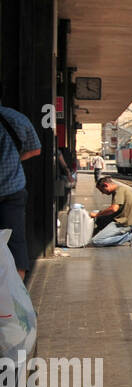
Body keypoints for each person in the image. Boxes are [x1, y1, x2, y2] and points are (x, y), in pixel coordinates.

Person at [0, 99, 42, 280]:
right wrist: (14, 159)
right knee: (16, 242)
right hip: (12, 190)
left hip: (13, 191)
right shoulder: (17, 118)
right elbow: (36, 150)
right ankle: (17, 294)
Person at [90, 175, 132, 246]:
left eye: (102, 190)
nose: (103, 193)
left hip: (123, 223)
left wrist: (97, 214)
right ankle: (101, 234)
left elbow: (113, 209)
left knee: (96, 241)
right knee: (99, 217)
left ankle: (129, 236)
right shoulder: (120, 189)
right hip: (123, 219)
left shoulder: (119, 191)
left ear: (106, 185)